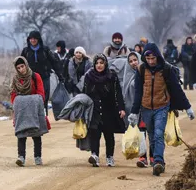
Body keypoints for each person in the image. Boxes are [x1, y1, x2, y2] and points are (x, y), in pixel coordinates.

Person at [128, 43, 194, 176]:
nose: (151, 61)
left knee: (158, 133)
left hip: (162, 107)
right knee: (152, 135)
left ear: (157, 56)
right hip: (146, 108)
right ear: (144, 58)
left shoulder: (166, 69)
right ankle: (157, 161)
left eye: (153, 58)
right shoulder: (141, 70)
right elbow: (138, 93)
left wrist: (188, 107)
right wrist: (134, 112)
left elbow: (176, 89)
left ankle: (158, 162)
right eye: (148, 59)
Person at [83, 54, 126, 167]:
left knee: (108, 134)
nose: (99, 65)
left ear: (105, 64)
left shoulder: (112, 76)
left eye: (102, 63)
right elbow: (85, 93)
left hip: (109, 109)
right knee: (94, 134)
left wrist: (121, 108)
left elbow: (118, 93)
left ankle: (109, 157)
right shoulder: (89, 76)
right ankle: (95, 156)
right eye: (97, 63)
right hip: (94, 109)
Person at [10, 56, 47, 167]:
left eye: (22, 66)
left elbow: (41, 94)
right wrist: (18, 104)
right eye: (19, 68)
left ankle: (38, 157)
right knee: (21, 133)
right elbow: (13, 95)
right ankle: (21, 157)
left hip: (34, 109)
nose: (21, 69)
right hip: (21, 110)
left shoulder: (35, 76)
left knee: (36, 133)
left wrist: (30, 101)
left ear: (26, 65)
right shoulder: (15, 79)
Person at [21, 31, 64, 115]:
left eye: (34, 38)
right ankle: (34, 117)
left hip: (44, 77)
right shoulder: (26, 51)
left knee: (44, 97)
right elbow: (21, 65)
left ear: (38, 39)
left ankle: (44, 117)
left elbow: (53, 62)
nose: (33, 40)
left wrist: (60, 75)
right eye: (31, 38)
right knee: (32, 97)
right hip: (31, 78)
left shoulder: (45, 50)